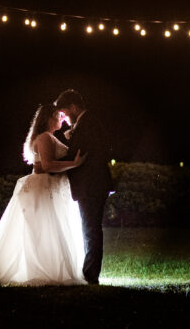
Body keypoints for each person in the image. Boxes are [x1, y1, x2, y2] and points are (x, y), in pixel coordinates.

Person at [0, 102, 87, 286]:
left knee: (49, 229)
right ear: (48, 118)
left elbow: (45, 163)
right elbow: (48, 165)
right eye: (58, 117)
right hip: (44, 188)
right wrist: (75, 163)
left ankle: (52, 267)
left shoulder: (47, 137)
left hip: (49, 187)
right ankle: (44, 269)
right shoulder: (45, 138)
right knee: (44, 229)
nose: (61, 119)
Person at [51, 89, 114, 285]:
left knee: (91, 228)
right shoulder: (87, 124)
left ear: (73, 107)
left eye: (65, 113)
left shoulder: (88, 124)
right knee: (90, 228)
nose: (64, 119)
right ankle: (90, 273)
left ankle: (90, 275)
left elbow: (79, 155)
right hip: (93, 183)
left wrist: (50, 166)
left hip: (91, 184)